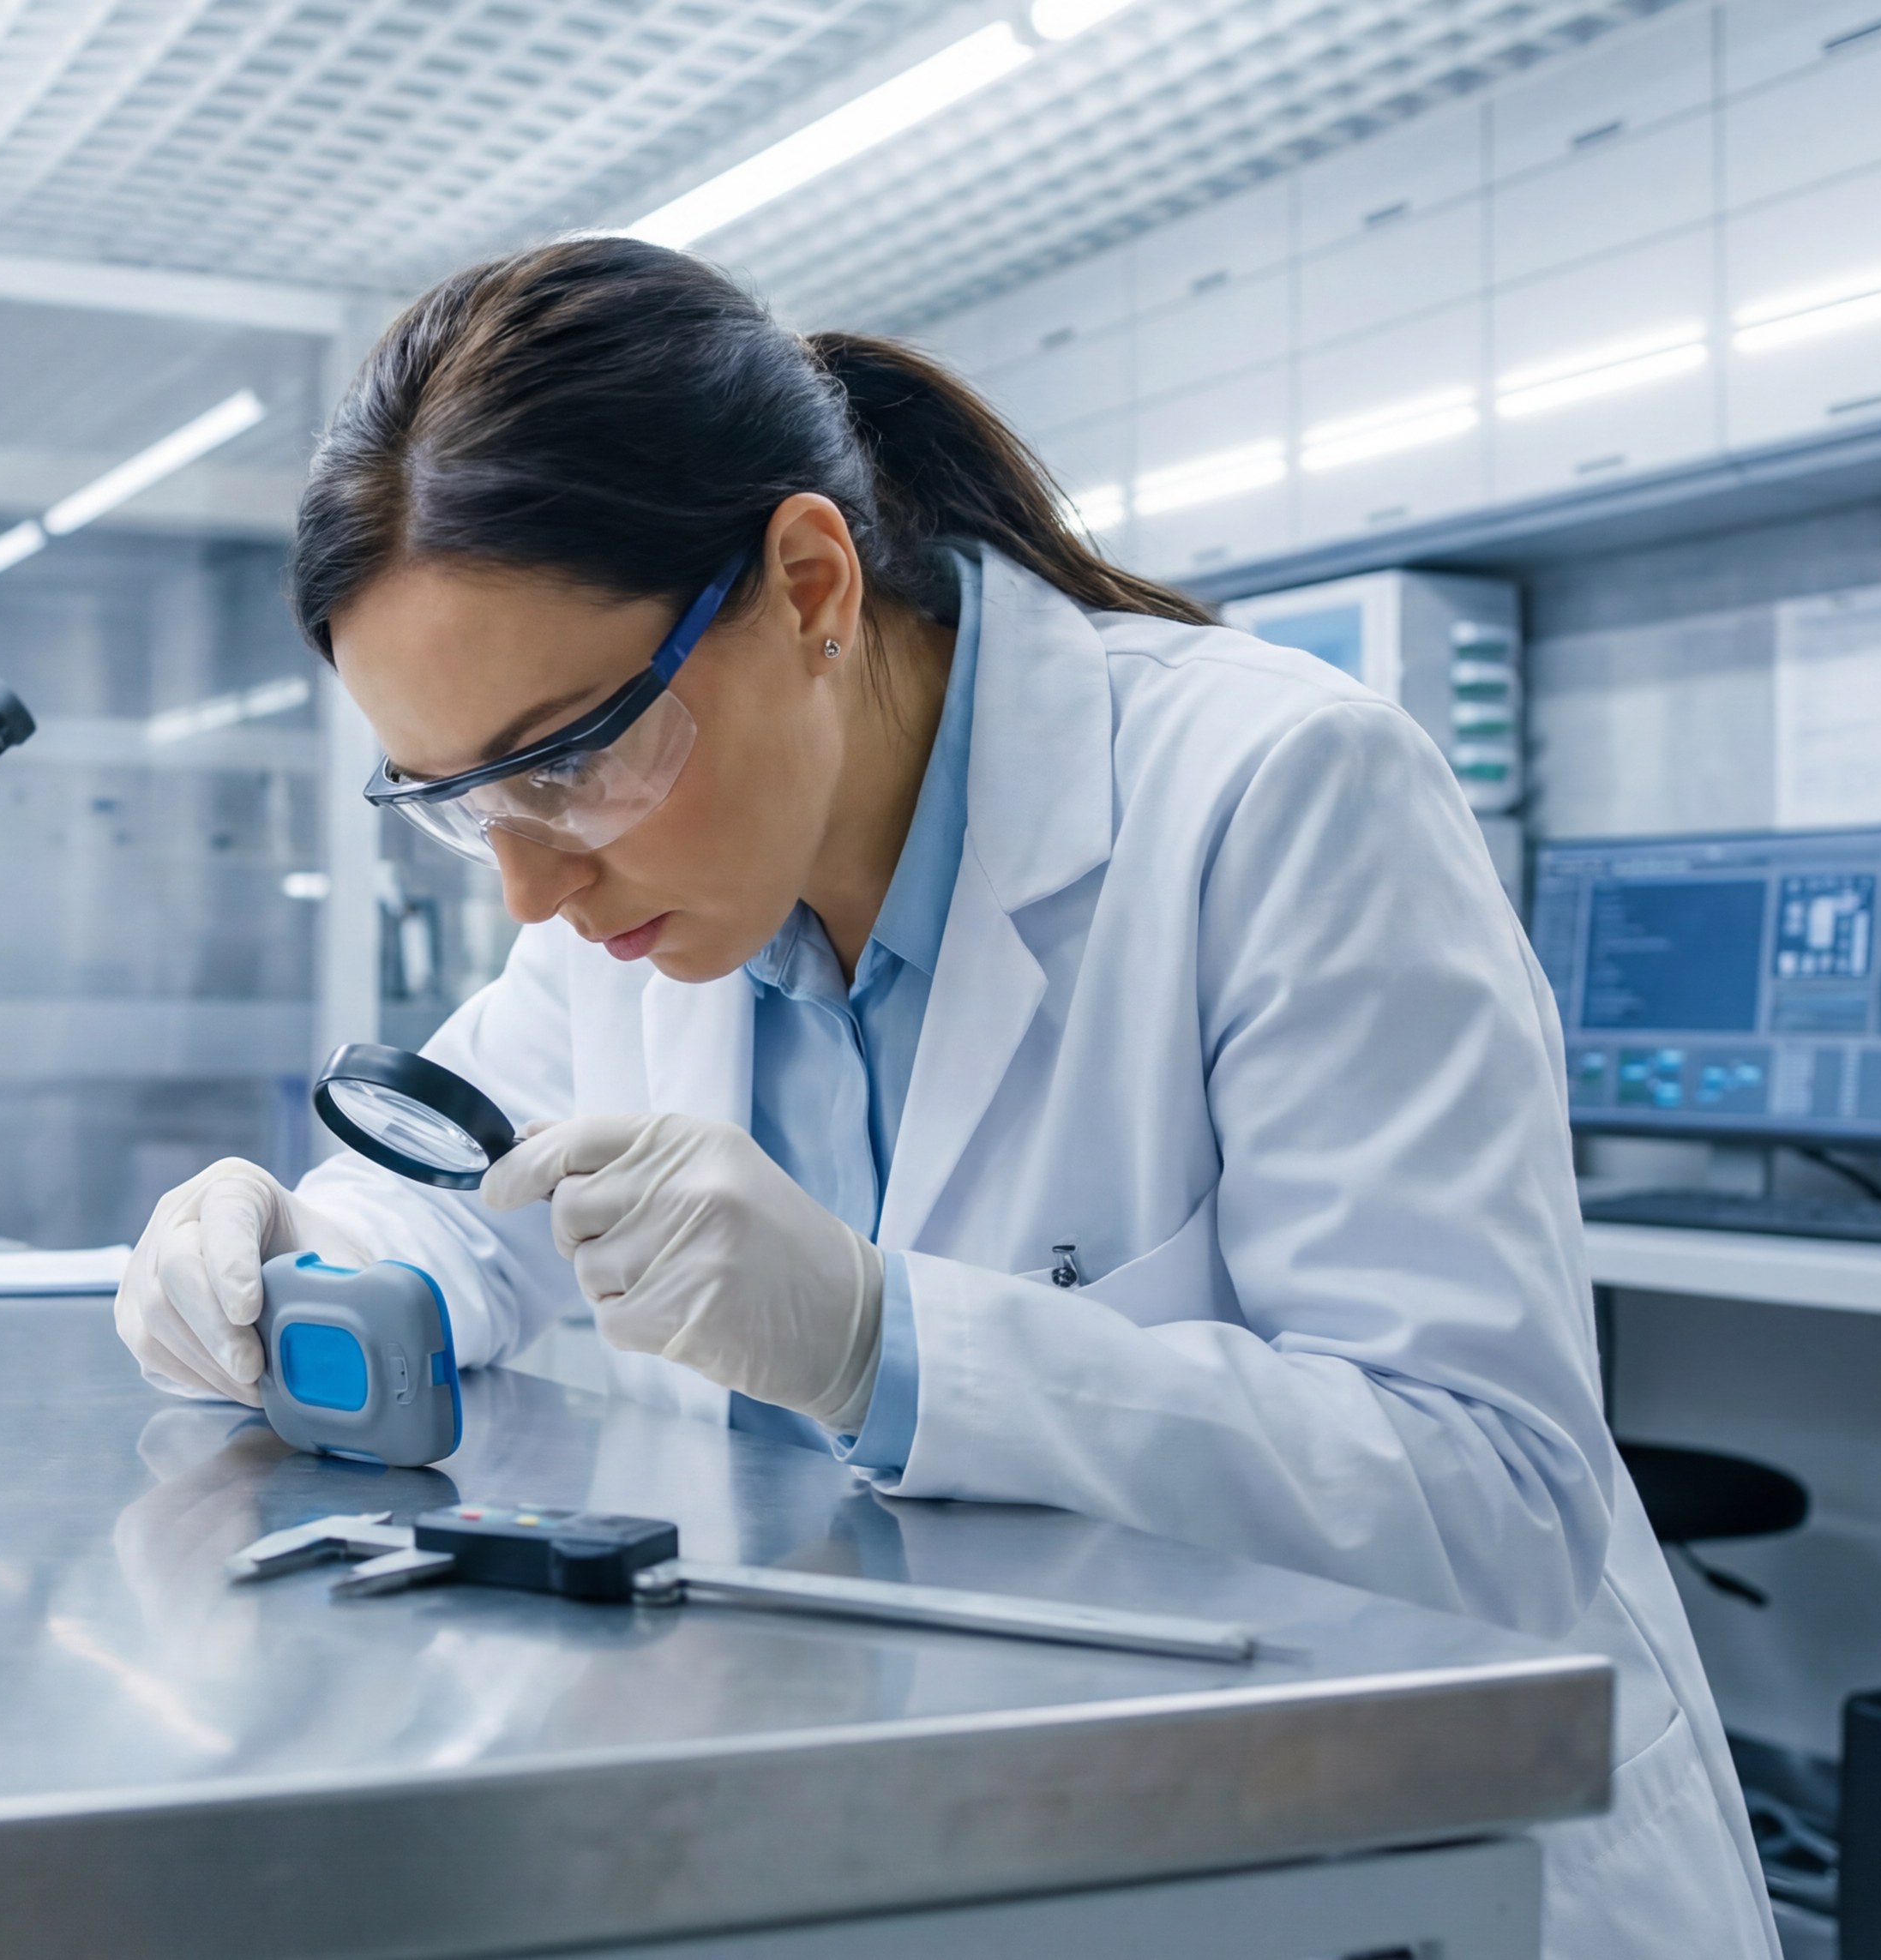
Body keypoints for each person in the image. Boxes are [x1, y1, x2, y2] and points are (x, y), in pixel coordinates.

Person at [111, 236, 1776, 1959]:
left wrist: (880, 1341)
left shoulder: (1276, 795)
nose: (532, 888)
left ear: (811, 587)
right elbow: (467, 1191)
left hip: (1373, 1871)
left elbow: (1487, 1509)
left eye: (572, 761)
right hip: (923, 1827)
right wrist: (287, 1251)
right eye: (463, 801)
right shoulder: (636, 907)